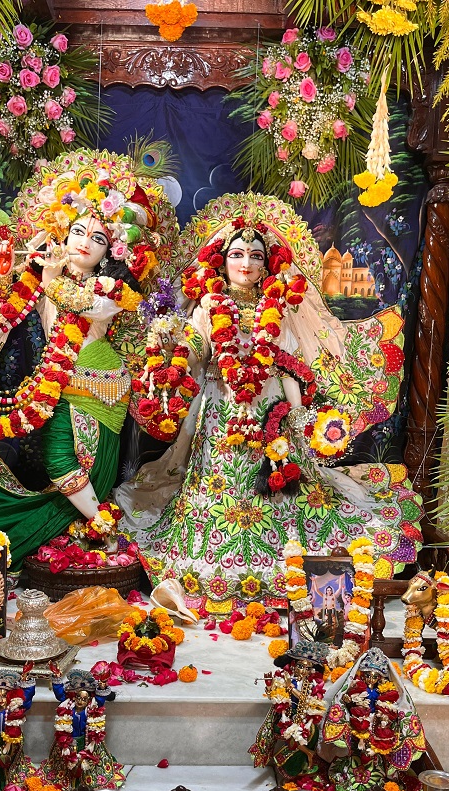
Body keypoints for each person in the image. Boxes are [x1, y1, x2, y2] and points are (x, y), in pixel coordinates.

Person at [116, 192, 422, 612]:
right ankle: (215, 564)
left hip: (270, 410)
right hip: (220, 408)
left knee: (281, 485)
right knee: (220, 483)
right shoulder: (208, 305)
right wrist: (175, 345)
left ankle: (285, 562)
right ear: (220, 262)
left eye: (255, 256)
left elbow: (290, 364)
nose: (246, 263)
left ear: (267, 265)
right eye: (237, 254)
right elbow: (198, 352)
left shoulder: (277, 304)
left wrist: (295, 415)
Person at [0, 150, 175, 573]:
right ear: (62, 231)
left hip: (100, 388)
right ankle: (94, 528)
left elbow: (90, 308)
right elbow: (5, 313)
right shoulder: (43, 276)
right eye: (77, 230)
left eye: (97, 238)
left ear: (109, 251)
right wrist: (15, 274)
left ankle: (102, 529)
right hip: (55, 382)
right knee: (59, 465)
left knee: (73, 467)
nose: (83, 241)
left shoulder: (111, 288)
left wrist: (48, 279)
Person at [318, 648, 427, 791]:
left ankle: (379, 777)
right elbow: (347, 700)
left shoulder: (384, 691)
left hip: (377, 722)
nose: (370, 679)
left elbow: (391, 705)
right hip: (359, 723)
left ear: (380, 678)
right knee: (357, 751)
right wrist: (350, 701)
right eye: (367, 675)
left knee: (378, 749)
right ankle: (352, 777)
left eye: (374, 676)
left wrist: (386, 712)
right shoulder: (357, 687)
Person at [249, 639, 329, 782]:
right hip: (287, 717)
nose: (303, 670)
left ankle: (305, 762)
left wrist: (291, 688)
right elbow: (275, 697)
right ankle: (292, 768)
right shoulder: (286, 680)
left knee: (312, 734)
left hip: (305, 717)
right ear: (294, 666)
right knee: (295, 737)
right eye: (300, 666)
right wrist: (269, 686)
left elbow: (306, 699)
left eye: (307, 668)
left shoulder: (311, 683)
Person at [37, 668, 125, 790]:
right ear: (74, 697)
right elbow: (59, 694)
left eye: (84, 699)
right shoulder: (68, 706)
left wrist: (102, 687)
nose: (80, 701)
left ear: (89, 700)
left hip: (88, 742)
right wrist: (57, 679)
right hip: (69, 742)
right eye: (78, 697)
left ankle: (85, 781)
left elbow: (100, 699)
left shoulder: (91, 708)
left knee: (87, 764)